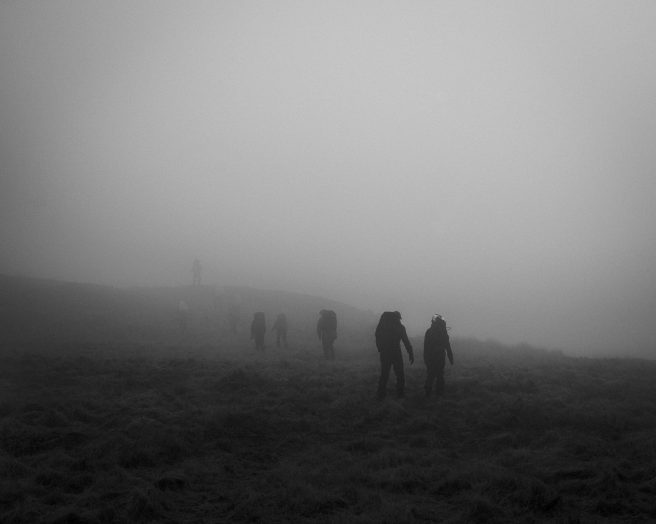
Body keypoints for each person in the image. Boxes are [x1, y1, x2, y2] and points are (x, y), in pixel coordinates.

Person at [375, 311, 414, 400]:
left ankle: (381, 394)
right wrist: (411, 353)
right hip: (396, 353)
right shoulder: (400, 327)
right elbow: (406, 342)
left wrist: (380, 349)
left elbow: (377, 335)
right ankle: (400, 394)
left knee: (384, 374)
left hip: (385, 353)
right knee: (400, 374)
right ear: (398, 318)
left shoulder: (383, 326)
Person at [423, 314, 454, 397]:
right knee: (440, 375)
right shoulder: (443, 332)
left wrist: (425, 359)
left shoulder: (429, 331)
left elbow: (426, 347)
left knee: (430, 375)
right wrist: (451, 358)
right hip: (440, 357)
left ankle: (427, 394)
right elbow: (447, 346)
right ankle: (439, 395)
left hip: (431, 357)